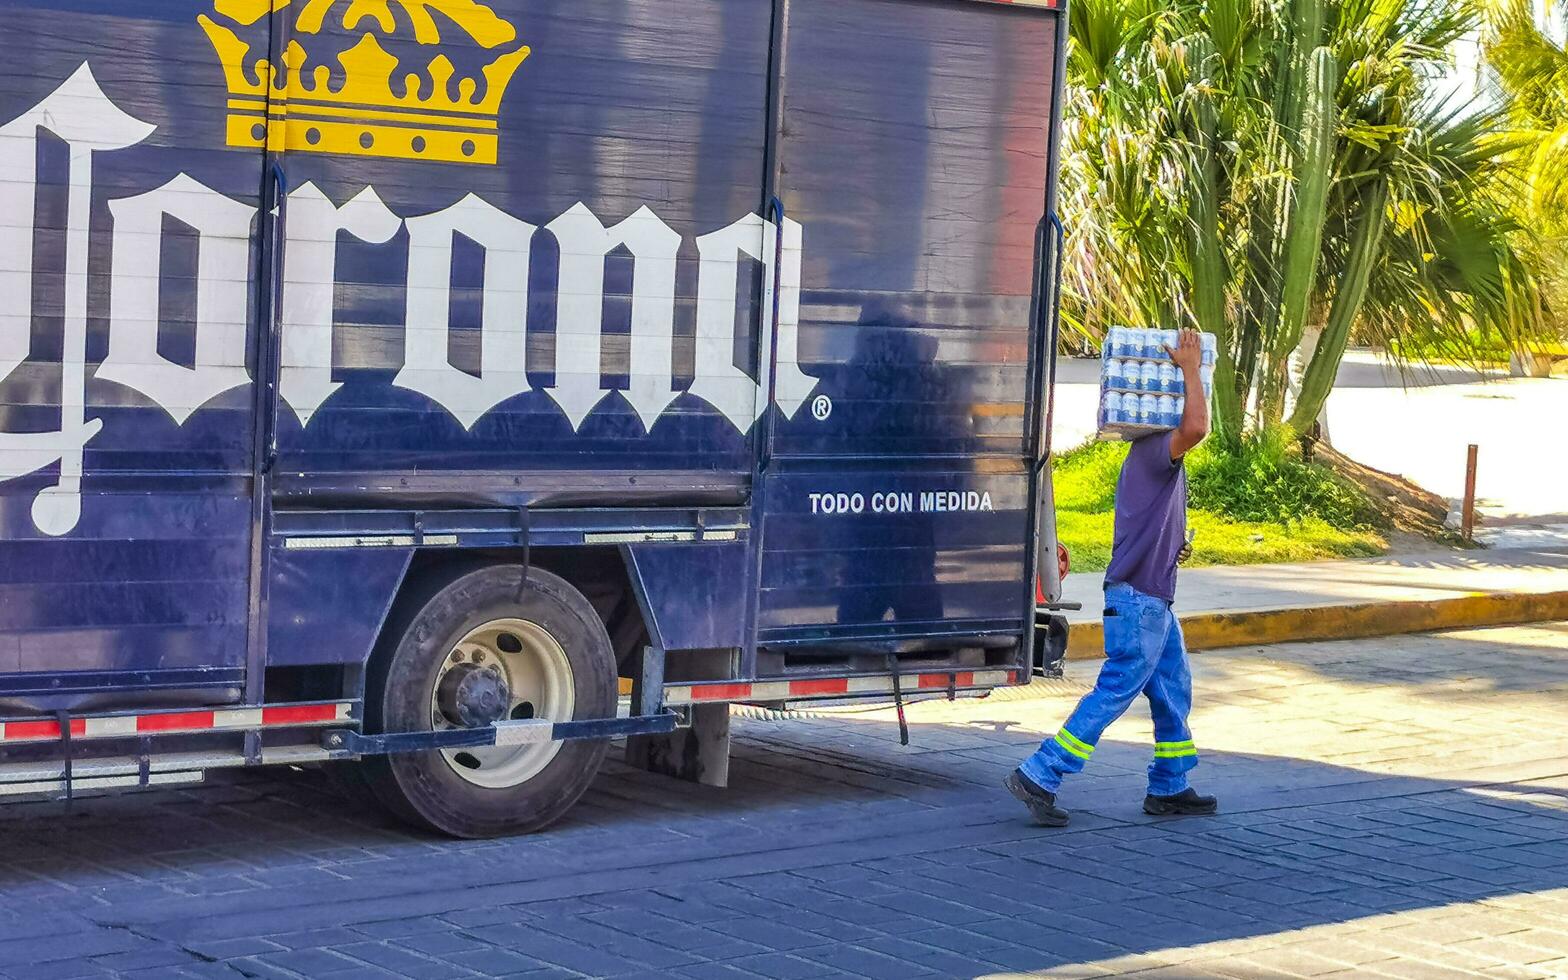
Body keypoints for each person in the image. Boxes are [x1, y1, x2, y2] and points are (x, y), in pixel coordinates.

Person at [1005, 328, 1216, 827]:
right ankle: (1041, 771)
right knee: (1114, 692)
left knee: (1171, 689)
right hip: (1140, 603)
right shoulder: (1155, 452)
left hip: (1153, 603)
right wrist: (1188, 367)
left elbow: (1157, 523)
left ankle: (1170, 785)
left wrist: (1175, 543)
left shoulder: (1157, 460)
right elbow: (1199, 427)